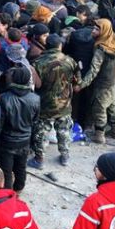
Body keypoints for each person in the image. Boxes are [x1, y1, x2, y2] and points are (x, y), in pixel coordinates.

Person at [80, 19, 115, 144]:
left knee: (99, 108)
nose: (93, 31)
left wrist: (82, 84)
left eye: (97, 29)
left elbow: (94, 70)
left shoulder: (101, 49)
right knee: (112, 106)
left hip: (102, 84)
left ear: (104, 31)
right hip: (112, 82)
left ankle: (99, 135)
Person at [30, 34, 81, 168]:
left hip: (45, 104)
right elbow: (77, 83)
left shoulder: (38, 62)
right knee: (64, 131)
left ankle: (39, 160)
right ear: (60, 46)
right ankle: (65, 157)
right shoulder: (70, 61)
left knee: (41, 132)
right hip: (64, 104)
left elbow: (35, 85)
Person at [0, 67, 40, 191]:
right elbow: (35, 122)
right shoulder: (35, 99)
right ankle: (19, 188)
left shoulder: (4, 98)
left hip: (7, 140)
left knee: (6, 170)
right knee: (21, 167)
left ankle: (7, 193)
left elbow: (1, 122)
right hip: (25, 139)